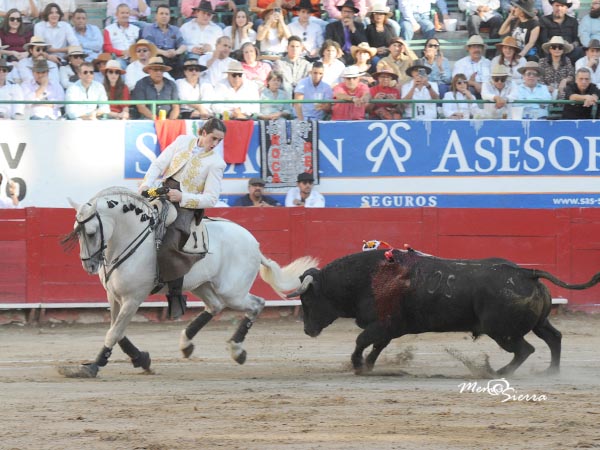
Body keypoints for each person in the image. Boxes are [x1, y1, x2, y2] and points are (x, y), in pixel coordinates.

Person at [138, 118, 228, 319]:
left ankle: (175, 294)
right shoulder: (182, 141)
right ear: (203, 132)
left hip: (185, 206)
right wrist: (146, 184)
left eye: (219, 141)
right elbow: (159, 163)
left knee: (170, 241)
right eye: (213, 138)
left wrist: (183, 197)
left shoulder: (216, 163)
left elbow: (211, 199)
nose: (214, 144)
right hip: (161, 191)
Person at [141, 4, 187, 79]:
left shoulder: (175, 30)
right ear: (156, 16)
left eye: (166, 14)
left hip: (173, 56)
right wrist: (164, 53)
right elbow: (149, 46)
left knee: (182, 67)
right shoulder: (149, 29)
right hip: (157, 56)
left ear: (169, 16)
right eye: (161, 13)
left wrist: (176, 52)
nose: (164, 16)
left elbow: (183, 45)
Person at [324, 0, 367, 65]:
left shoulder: (359, 26)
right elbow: (328, 41)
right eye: (344, 11)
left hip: (355, 54)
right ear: (341, 13)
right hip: (339, 53)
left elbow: (363, 42)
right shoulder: (331, 26)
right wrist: (337, 48)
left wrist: (353, 29)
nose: (347, 14)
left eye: (349, 12)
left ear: (353, 14)